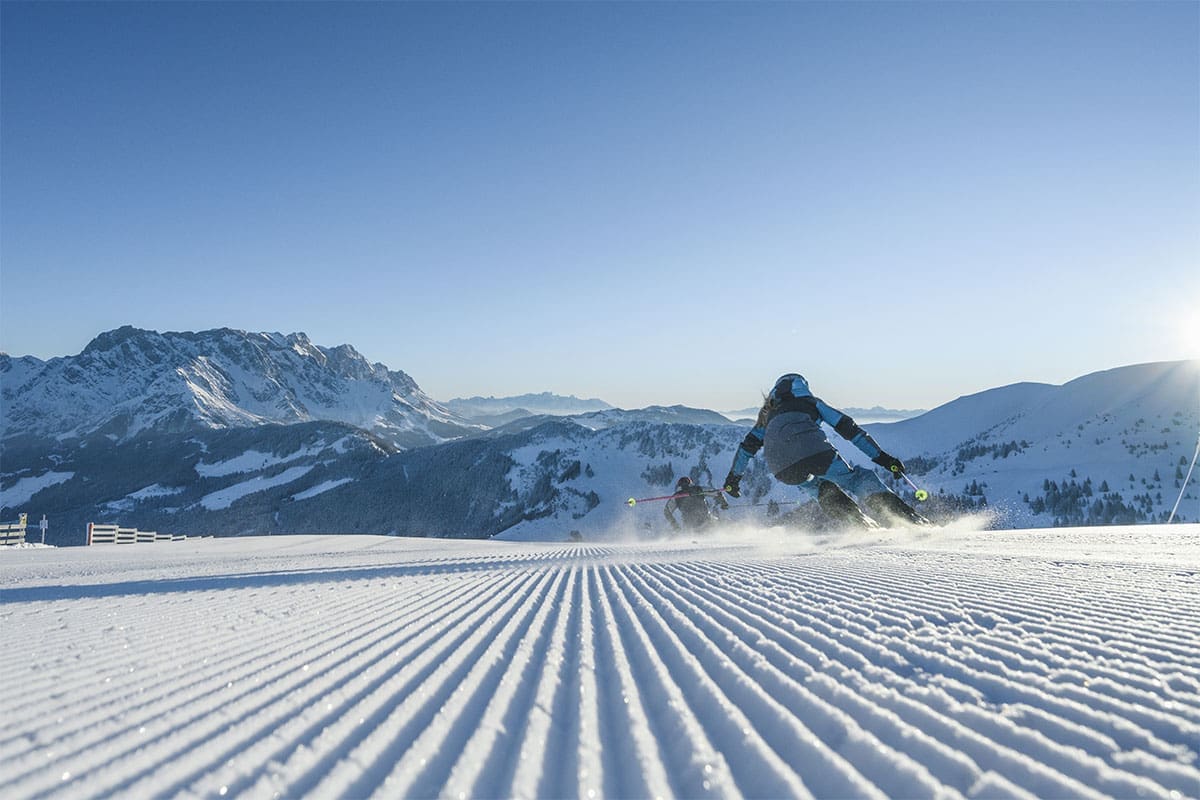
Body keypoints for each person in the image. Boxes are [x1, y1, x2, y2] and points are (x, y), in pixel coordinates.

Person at [722, 373, 929, 528]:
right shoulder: (811, 402)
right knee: (857, 480)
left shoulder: (766, 417)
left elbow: (745, 450)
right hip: (817, 453)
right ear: (802, 387)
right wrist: (883, 459)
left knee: (818, 488)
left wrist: (732, 480)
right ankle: (910, 521)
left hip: (782, 468)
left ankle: (858, 525)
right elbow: (850, 430)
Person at [664, 476, 728, 533]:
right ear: (690, 483)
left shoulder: (676, 496)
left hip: (690, 526)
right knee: (720, 522)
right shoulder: (698, 489)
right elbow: (716, 493)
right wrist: (724, 503)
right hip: (706, 521)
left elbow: (667, 511)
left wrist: (675, 525)